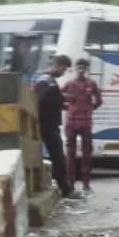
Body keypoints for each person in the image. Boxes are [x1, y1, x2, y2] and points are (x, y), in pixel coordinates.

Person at [34, 54, 76, 199]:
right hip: (48, 124)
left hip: (50, 124)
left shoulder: (49, 81)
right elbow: (42, 100)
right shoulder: (45, 81)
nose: (63, 73)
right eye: (64, 69)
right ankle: (66, 190)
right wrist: (60, 101)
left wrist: (63, 100)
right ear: (58, 66)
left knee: (57, 156)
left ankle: (65, 188)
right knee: (58, 157)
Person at [62, 57, 102, 195]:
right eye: (79, 66)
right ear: (75, 68)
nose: (81, 69)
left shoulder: (91, 84)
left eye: (83, 67)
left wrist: (89, 109)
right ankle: (70, 183)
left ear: (86, 69)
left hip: (86, 123)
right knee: (70, 154)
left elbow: (99, 100)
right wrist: (69, 108)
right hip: (72, 123)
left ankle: (86, 184)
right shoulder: (68, 84)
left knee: (87, 154)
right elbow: (59, 99)